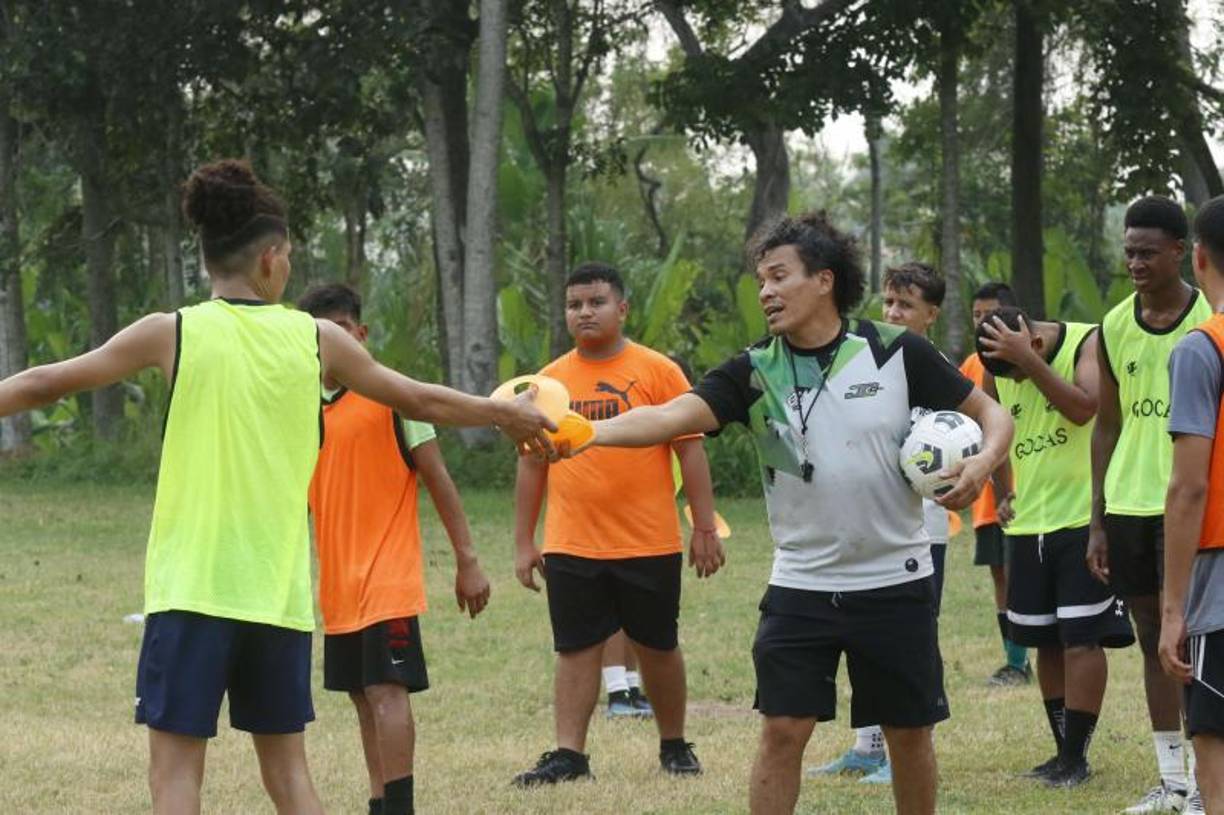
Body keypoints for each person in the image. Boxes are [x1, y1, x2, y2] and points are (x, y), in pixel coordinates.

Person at [0, 159, 552, 815]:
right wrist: (502, 412)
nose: (287, 266)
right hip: (276, 597)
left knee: (175, 776)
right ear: (269, 260)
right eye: (287, 255)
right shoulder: (317, 339)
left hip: (192, 590)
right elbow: (416, 398)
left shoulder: (172, 332)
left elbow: (44, 382)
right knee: (289, 775)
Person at [561, 212, 1013, 815]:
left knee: (908, 735)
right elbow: (668, 417)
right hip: (801, 583)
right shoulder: (754, 370)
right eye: (761, 281)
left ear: (824, 280)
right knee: (782, 731)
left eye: (779, 276)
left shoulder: (894, 350)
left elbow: (993, 415)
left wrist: (983, 464)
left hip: (894, 580)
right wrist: (585, 432)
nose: (766, 292)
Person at [511, 262, 724, 786]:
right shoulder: (547, 383)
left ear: (622, 308)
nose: (584, 312)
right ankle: (569, 756)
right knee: (575, 649)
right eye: (574, 304)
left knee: (658, 646)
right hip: (571, 542)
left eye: (596, 302)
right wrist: (523, 541)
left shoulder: (659, 371)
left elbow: (691, 449)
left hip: (647, 540)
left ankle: (674, 745)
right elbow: (531, 463)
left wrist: (703, 526)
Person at [300, 283, 493, 815]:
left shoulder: (395, 398)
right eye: (317, 337)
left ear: (361, 334)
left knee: (386, 690)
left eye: (341, 332)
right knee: (362, 697)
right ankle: (380, 800)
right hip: (339, 586)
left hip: (388, 579)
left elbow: (438, 479)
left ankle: (400, 806)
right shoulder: (302, 408)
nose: (331, 345)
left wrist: (468, 560)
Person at [976, 306, 1135, 788]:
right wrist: (1003, 489)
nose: (1018, 382)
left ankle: (1077, 756)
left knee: (1082, 638)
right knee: (1044, 639)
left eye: (1020, 368)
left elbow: (1085, 408)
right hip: (1030, 524)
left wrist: (1027, 361)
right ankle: (1062, 752)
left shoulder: (1088, 342)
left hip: (1084, 519)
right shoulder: (998, 366)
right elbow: (991, 428)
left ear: (1035, 342)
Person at [810, 260, 951, 787]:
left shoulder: (931, 369)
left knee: (913, 648)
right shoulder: (865, 364)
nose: (892, 313)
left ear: (931, 315)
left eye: (906, 305)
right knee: (864, 642)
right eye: (888, 302)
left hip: (919, 533)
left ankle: (904, 752)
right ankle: (867, 748)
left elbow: (967, 435)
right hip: (864, 529)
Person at [1089, 196, 1208, 813]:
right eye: (1129, 252)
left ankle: (1206, 782)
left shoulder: (1209, 319)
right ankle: (1173, 779)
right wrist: (1097, 519)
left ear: (1180, 252)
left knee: (1190, 641)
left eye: (1147, 252)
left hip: (1190, 503)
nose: (1135, 262)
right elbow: (1107, 424)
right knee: (1151, 641)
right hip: (1129, 504)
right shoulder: (1114, 324)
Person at [1159, 193, 1224, 815]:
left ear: (1198, 257)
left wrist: (1173, 608)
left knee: (1214, 740)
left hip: (1219, 576)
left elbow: (1188, 488)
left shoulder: (1202, 349)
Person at [961, 282, 1031, 687]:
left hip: (1023, 492)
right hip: (987, 496)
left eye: (989, 315)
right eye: (975, 316)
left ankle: (1026, 656)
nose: (981, 323)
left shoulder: (1028, 360)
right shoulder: (971, 366)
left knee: (1022, 576)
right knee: (1000, 576)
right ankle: (1015, 661)